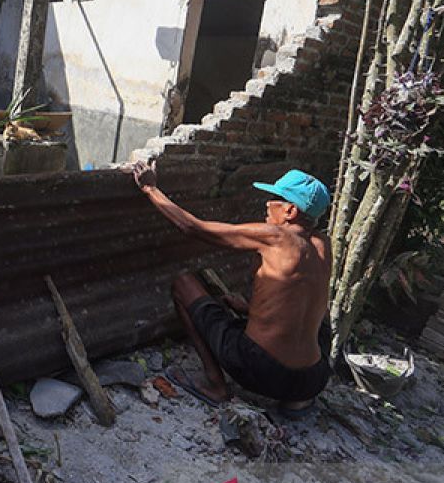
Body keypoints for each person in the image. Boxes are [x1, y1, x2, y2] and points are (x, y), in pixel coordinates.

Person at [132, 164, 333, 416]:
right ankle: (296, 402)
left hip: (262, 371)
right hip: (312, 381)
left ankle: (215, 386)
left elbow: (193, 228)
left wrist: (150, 188)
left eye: (274, 199)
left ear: (290, 210)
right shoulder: (324, 245)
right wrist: (249, 310)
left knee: (184, 285)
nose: (267, 204)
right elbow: (297, 301)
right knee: (322, 326)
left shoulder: (276, 236)